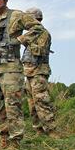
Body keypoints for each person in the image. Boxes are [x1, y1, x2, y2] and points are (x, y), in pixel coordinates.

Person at [0, 0, 47, 148]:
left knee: (13, 105)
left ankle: (16, 141)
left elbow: (38, 28)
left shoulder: (17, 15)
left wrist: (21, 39)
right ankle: (4, 139)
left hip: (11, 69)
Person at [23, 8, 57, 137]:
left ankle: (52, 131)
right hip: (29, 73)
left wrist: (27, 42)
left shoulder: (43, 33)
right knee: (32, 104)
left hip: (38, 72)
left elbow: (40, 51)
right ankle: (39, 130)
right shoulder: (33, 34)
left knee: (42, 101)